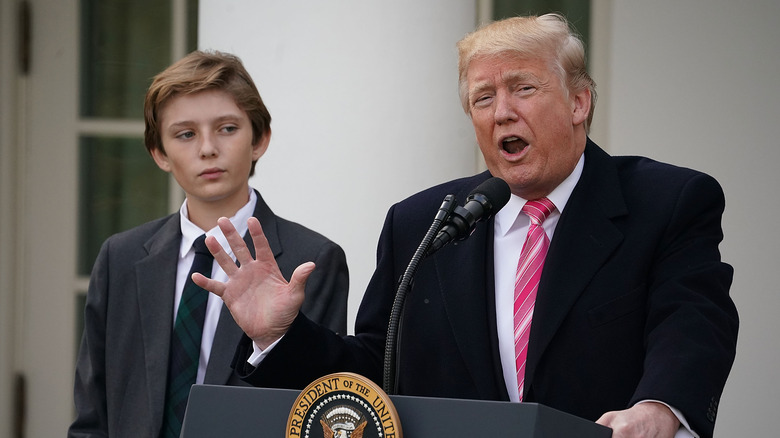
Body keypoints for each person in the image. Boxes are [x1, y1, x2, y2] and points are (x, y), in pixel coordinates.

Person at [196, 14, 738, 438]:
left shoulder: (665, 202)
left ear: (579, 102)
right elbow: (374, 375)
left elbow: (692, 325)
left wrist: (659, 409)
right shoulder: (422, 223)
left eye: (523, 88)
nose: (501, 112)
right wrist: (279, 335)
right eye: (483, 98)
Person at [68, 50, 349, 438]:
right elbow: (92, 414)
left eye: (227, 128)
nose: (207, 148)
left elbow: (318, 409)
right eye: (185, 134)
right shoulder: (120, 257)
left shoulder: (312, 259)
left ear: (260, 139)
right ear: (159, 153)